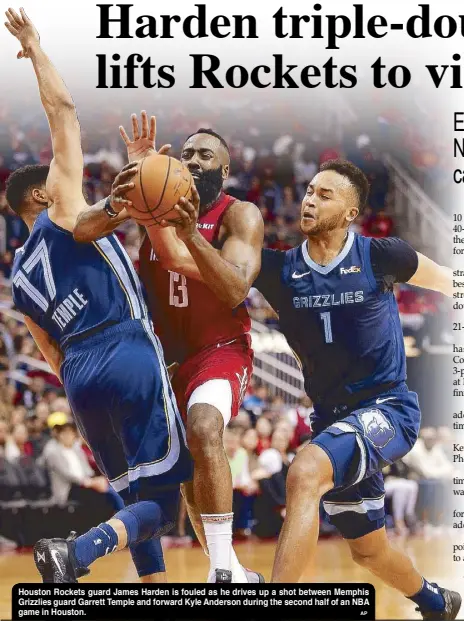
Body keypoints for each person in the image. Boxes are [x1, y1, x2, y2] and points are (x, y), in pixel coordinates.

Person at [5, 9, 192, 584]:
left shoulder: (19, 274)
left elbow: (50, 355)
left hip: (80, 379)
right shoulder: (62, 203)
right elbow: (63, 111)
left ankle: (153, 588)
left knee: (134, 493)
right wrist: (35, 48)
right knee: (167, 503)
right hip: (124, 348)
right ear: (43, 191)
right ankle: (75, 554)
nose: (72, 176)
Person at [253, 158, 460, 619]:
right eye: (309, 190)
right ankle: (436, 602)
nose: (309, 198)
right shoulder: (278, 269)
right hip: (333, 420)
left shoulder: (382, 256)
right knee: (367, 552)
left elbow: (452, 282)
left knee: (306, 472)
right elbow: (202, 264)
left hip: (388, 409)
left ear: (350, 212)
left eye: (325, 194)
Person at [74, 113, 264, 583]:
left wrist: (191, 234)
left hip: (220, 348)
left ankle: (221, 567)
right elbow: (82, 229)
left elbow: (237, 288)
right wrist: (127, 193)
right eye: (186, 153)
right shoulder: (151, 202)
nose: (193, 160)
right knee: (185, 477)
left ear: (223, 173)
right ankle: (234, 572)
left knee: (204, 428)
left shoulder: (240, 214)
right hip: (163, 359)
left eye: (206, 156)